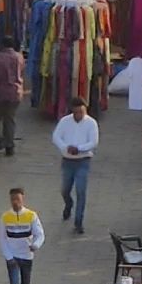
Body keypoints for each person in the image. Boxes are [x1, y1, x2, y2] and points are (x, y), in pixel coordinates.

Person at [52, 94, 99, 232]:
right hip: (67, 161)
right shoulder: (65, 121)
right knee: (65, 189)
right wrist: (65, 147)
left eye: (81, 112)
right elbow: (56, 136)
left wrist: (79, 149)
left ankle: (79, 222)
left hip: (83, 160)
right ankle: (68, 204)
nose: (79, 115)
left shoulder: (91, 123)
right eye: (76, 112)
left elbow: (93, 142)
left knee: (80, 190)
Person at [0, 187, 44, 284]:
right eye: (12, 199)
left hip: (27, 256)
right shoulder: (5, 217)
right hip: (13, 256)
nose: (15, 202)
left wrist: (35, 245)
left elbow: (40, 234)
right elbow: (2, 238)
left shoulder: (31, 216)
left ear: (22, 200)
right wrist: (9, 257)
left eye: (17, 199)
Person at [0, 38, 23, 156]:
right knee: (10, 119)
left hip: (1, 93)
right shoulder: (19, 57)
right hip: (16, 92)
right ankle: (10, 146)